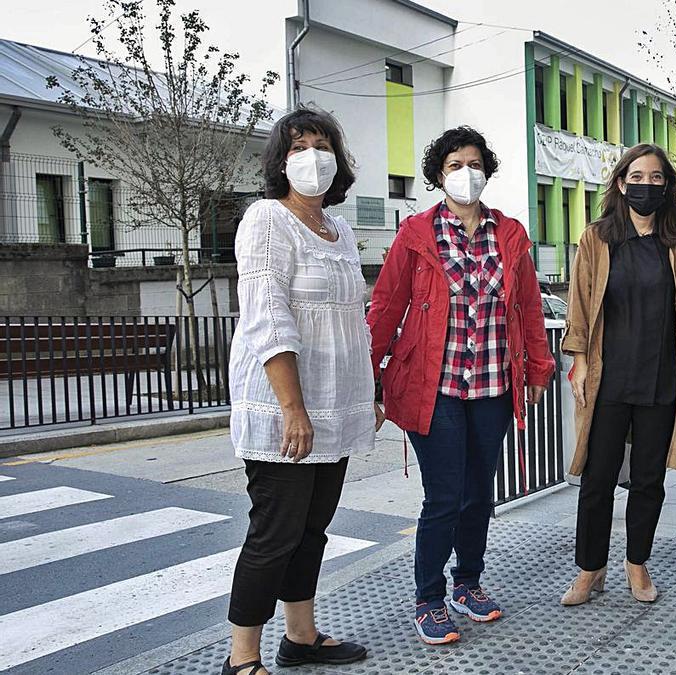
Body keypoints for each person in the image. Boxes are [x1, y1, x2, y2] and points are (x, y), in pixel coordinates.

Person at [368, 126, 556, 645]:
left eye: (474, 163)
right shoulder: (415, 234)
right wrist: (373, 375)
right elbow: (386, 305)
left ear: (487, 170)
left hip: (493, 386)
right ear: (437, 175)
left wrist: (538, 369)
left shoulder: (510, 234)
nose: (465, 173)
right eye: (454, 165)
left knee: (479, 496)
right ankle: (427, 597)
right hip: (436, 387)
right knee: (444, 496)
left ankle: (466, 583)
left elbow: (530, 310)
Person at [224, 107, 376, 675]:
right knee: (274, 533)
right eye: (297, 147)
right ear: (279, 163)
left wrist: (367, 396)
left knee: (312, 530)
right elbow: (268, 318)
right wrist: (293, 408)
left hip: (332, 410)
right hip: (286, 411)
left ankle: (301, 636)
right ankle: (242, 658)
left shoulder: (338, 231)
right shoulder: (266, 220)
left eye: (321, 143)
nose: (311, 155)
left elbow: (348, 322)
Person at [560, 144, 676, 606]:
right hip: (608, 379)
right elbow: (579, 305)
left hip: (661, 379)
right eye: (637, 176)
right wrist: (580, 361)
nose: (646, 185)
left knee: (649, 480)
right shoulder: (597, 238)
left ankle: (637, 565)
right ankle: (590, 570)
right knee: (597, 479)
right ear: (620, 182)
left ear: (667, 187)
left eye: (656, 178)